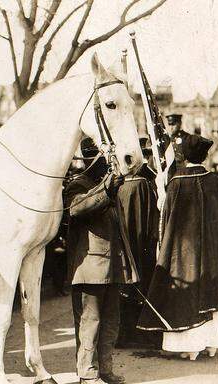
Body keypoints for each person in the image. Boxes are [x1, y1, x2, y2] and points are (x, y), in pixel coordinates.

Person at [137, 133, 218, 360]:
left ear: (185, 156)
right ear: (204, 156)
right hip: (213, 252)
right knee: (213, 291)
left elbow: (166, 217)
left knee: (187, 292)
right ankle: (213, 344)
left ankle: (191, 346)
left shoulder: (176, 183)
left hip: (184, 252)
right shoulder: (216, 181)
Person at [64, 138, 136, 384]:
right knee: (90, 322)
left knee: (111, 322)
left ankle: (105, 369)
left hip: (112, 267)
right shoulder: (78, 185)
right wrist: (106, 189)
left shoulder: (105, 185)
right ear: (90, 159)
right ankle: (87, 373)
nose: (107, 164)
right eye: (103, 158)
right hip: (89, 268)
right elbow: (76, 208)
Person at [115, 140, 160, 349]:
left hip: (124, 247)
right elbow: (153, 218)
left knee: (125, 288)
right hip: (143, 248)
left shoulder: (119, 185)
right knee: (144, 285)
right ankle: (144, 334)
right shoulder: (143, 184)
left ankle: (124, 334)